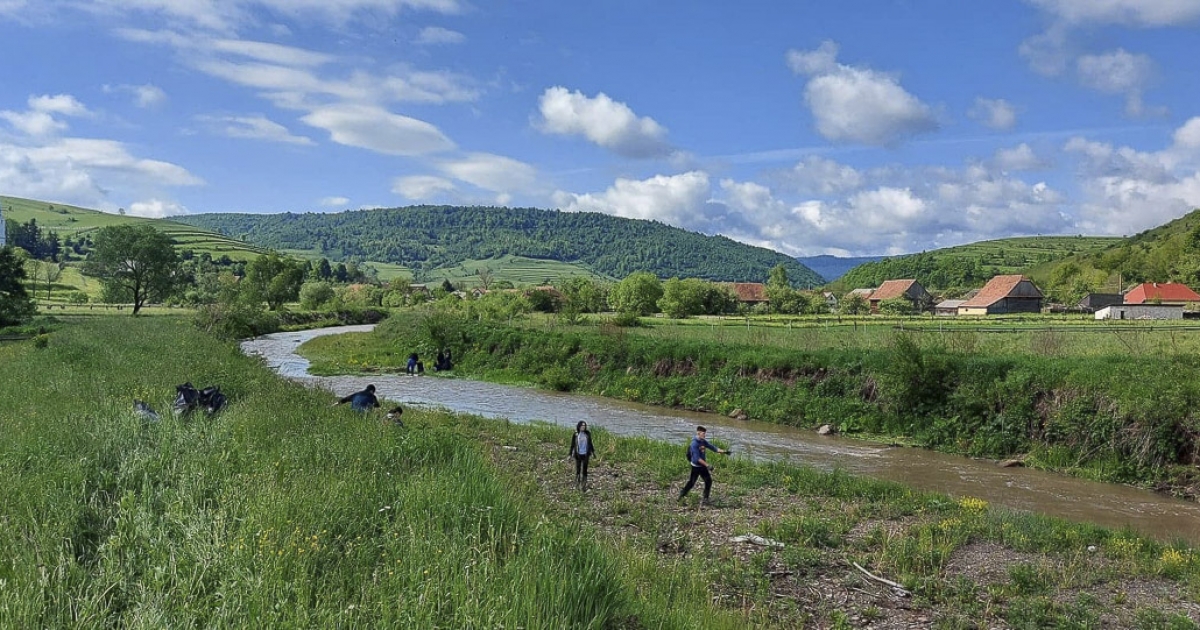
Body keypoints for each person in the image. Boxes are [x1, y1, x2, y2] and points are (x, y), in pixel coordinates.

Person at [678, 425, 730, 505]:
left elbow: (712, 447)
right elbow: (697, 458)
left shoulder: (703, 441)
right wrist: (708, 465)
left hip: (702, 467)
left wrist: (724, 451)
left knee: (708, 481)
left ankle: (705, 499)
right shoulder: (694, 444)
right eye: (703, 433)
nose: (704, 435)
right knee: (691, 483)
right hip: (696, 467)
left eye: (705, 433)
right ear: (698, 433)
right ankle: (681, 495)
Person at [568, 421, 594, 491]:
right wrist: (570, 454)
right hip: (578, 454)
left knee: (585, 470)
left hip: (586, 454)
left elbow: (590, 443)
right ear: (579, 426)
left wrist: (593, 452)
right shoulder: (576, 434)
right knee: (578, 470)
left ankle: (583, 486)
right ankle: (577, 486)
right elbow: (572, 445)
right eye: (582, 425)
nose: (583, 427)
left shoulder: (587, 433)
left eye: (584, 425)